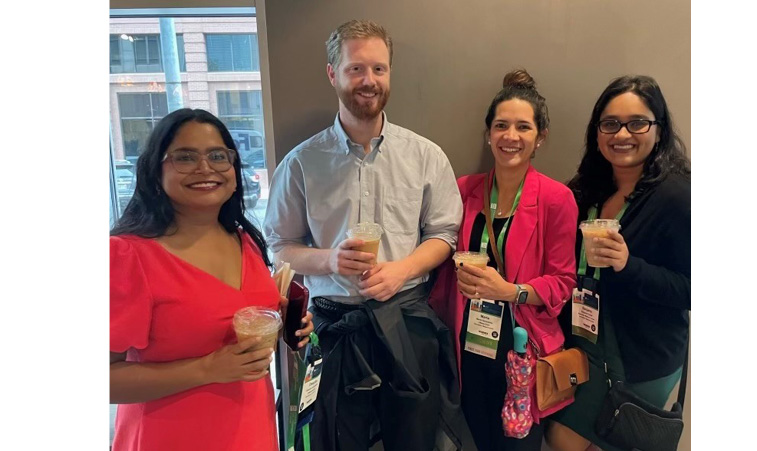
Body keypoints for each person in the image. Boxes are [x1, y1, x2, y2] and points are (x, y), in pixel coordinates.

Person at [263, 19, 473, 451]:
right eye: (356, 69)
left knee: (414, 441)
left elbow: (445, 234)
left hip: (406, 321)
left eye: (378, 69)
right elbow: (279, 247)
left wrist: (402, 270)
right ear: (332, 74)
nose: (368, 81)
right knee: (337, 441)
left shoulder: (426, 156)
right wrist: (329, 261)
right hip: (333, 326)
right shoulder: (301, 163)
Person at [110, 108, 314, 451]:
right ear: (154, 170)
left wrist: (282, 322)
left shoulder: (243, 239)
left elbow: (229, 320)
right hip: (169, 437)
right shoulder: (128, 256)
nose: (205, 168)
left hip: (251, 429)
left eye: (218, 156)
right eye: (185, 157)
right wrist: (207, 369)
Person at [429, 69, 578, 451]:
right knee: (478, 437)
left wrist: (512, 291)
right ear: (488, 134)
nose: (511, 137)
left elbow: (564, 282)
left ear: (539, 138)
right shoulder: (464, 190)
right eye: (501, 126)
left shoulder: (556, 199)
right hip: (469, 346)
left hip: (521, 352)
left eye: (523, 127)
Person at [546, 75, 691, 451]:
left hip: (641, 356)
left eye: (637, 123)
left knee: (579, 440)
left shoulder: (677, 196)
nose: (622, 134)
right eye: (610, 123)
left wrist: (629, 266)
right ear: (597, 132)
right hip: (586, 347)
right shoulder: (585, 188)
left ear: (658, 130)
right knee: (567, 438)